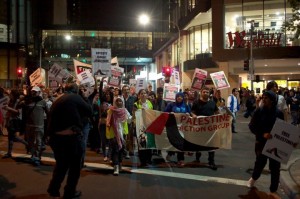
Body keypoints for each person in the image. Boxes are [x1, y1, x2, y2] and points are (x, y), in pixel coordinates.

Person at [47, 83, 92, 199]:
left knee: (61, 165)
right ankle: (69, 192)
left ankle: (53, 188)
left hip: (56, 138)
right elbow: (89, 111)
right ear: (76, 91)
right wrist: (85, 97)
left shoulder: (58, 99)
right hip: (70, 138)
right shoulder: (75, 97)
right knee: (75, 167)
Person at [247, 90, 284, 195]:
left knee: (275, 167)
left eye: (266, 98)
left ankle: (273, 189)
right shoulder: (259, 111)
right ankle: (253, 179)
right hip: (262, 143)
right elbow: (252, 126)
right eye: (263, 97)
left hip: (275, 144)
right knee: (260, 163)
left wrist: (290, 141)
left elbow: (283, 129)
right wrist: (262, 134)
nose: (263, 99)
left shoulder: (279, 113)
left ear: (272, 100)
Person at [191, 87, 219, 170]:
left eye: (207, 92)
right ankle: (197, 159)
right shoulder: (196, 102)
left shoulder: (212, 103)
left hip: (210, 128)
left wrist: (221, 117)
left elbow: (217, 112)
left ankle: (211, 161)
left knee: (211, 144)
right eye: (204, 92)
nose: (206, 93)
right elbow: (192, 112)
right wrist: (194, 115)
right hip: (199, 127)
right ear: (201, 92)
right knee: (198, 143)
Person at [106, 96, 132, 175]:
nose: (119, 103)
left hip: (122, 134)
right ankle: (116, 166)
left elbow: (129, 120)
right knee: (115, 150)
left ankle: (119, 164)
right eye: (117, 101)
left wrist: (131, 117)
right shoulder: (111, 110)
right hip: (114, 134)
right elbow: (108, 121)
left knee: (121, 150)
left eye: (120, 101)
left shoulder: (125, 111)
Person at [164, 92, 191, 167]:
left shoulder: (186, 105)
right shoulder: (171, 105)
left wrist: (188, 114)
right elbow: (165, 112)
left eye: (181, 96)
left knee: (181, 143)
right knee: (173, 142)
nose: (179, 98)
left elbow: (189, 113)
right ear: (176, 97)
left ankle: (181, 159)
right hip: (173, 127)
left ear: (183, 98)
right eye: (178, 96)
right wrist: (170, 113)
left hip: (182, 128)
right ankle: (170, 153)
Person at [2, 89, 28, 158]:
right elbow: (9, 111)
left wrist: (8, 108)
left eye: (11, 94)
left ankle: (28, 144)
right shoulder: (10, 101)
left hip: (14, 121)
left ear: (14, 95)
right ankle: (9, 152)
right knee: (11, 137)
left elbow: (17, 112)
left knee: (13, 137)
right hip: (10, 120)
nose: (9, 95)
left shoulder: (18, 102)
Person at [133, 89, 153, 166]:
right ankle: (143, 161)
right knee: (141, 143)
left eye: (145, 93)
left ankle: (148, 159)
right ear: (139, 95)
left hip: (148, 125)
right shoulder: (136, 104)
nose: (143, 95)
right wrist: (141, 110)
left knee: (149, 143)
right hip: (140, 126)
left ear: (147, 95)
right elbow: (134, 114)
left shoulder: (150, 103)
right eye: (142, 93)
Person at [122, 84, 137, 158]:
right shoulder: (120, 99)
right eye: (125, 90)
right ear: (122, 91)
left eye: (127, 89)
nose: (126, 91)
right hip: (122, 120)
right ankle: (124, 150)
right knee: (123, 136)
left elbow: (136, 109)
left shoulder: (133, 98)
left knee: (130, 136)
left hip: (130, 120)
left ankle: (130, 150)